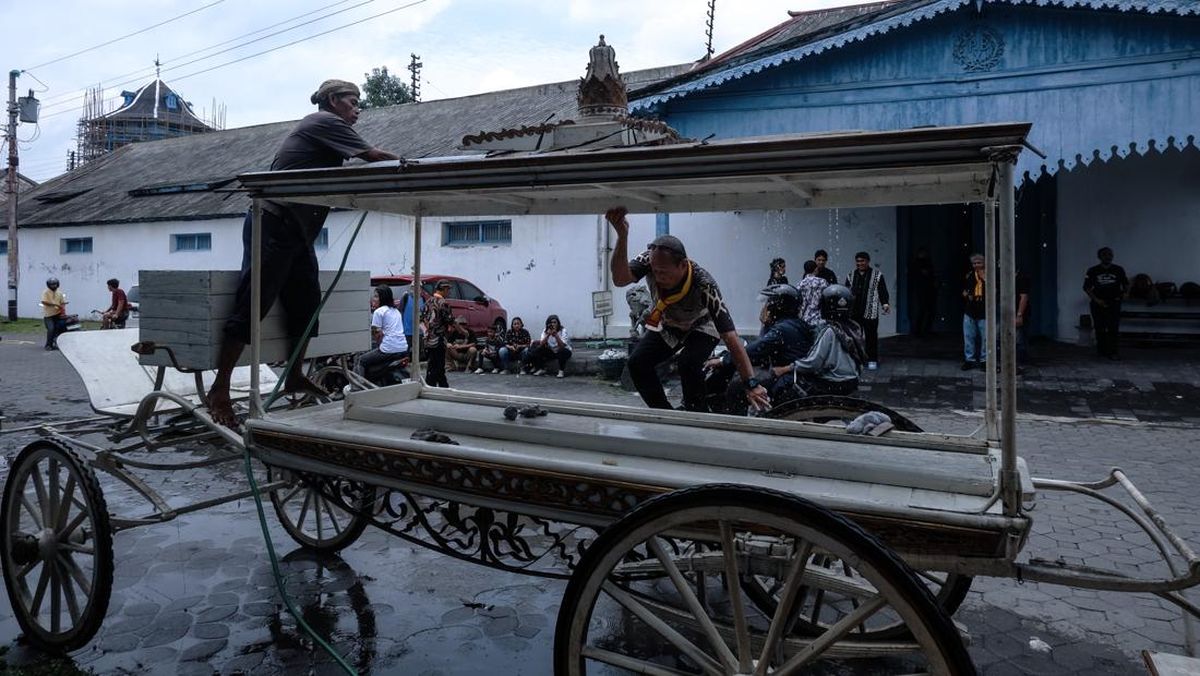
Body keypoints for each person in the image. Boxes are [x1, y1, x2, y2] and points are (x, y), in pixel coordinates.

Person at [207, 78, 399, 427]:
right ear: (331, 100)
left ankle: (294, 374)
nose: (357, 109)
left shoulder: (331, 136)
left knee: (308, 303)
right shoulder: (324, 122)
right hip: (272, 222)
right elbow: (372, 156)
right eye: (352, 101)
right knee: (254, 303)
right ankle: (219, 389)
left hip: (295, 233)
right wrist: (407, 165)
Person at [605, 205, 769, 412]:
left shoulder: (704, 284)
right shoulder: (649, 258)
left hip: (702, 326)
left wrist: (751, 384)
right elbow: (620, 279)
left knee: (688, 364)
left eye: (664, 273)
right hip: (670, 324)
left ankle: (697, 414)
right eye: (655, 272)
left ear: (683, 265)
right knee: (637, 363)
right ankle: (664, 414)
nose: (659, 278)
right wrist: (622, 235)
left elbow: (730, 337)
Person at [705, 284, 812, 413]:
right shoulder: (792, 324)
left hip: (786, 378)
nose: (766, 307)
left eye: (769, 303)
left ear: (777, 306)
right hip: (790, 374)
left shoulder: (782, 329)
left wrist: (723, 360)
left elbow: (755, 350)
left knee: (736, 387)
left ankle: (733, 423)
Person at [772, 284, 868, 397]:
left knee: (786, 384)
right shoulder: (855, 327)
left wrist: (785, 369)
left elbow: (814, 362)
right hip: (852, 380)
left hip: (833, 383)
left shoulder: (831, 331)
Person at [844, 251, 889, 370]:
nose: (860, 263)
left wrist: (885, 304)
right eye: (858, 261)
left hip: (870, 311)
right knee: (854, 337)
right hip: (854, 312)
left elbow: (882, 291)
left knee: (871, 337)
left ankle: (872, 360)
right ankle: (856, 360)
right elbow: (846, 292)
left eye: (862, 261)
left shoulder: (877, 275)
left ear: (868, 262)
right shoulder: (851, 275)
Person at [355, 284, 409, 381]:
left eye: (376, 296)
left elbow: (376, 334)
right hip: (403, 348)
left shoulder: (379, 312)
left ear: (382, 298)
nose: (373, 298)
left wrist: (380, 343)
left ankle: (356, 388)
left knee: (361, 360)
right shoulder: (396, 311)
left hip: (389, 349)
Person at [1084, 246, 1129, 360]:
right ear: (1099, 257)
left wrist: (1124, 293)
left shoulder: (1119, 270)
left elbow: (1126, 284)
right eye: (1105, 254)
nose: (1108, 257)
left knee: (1113, 328)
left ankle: (1113, 352)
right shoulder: (1092, 270)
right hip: (1098, 303)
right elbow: (1087, 287)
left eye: (1110, 254)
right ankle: (1101, 351)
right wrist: (1096, 300)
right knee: (1100, 327)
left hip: (1114, 302)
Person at [422, 280, 455, 386]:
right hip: (439, 339)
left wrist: (426, 332)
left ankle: (443, 386)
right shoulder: (443, 303)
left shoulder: (428, 301)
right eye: (448, 289)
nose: (449, 292)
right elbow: (450, 320)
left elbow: (422, 319)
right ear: (444, 289)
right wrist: (462, 331)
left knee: (433, 364)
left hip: (429, 339)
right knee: (438, 365)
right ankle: (433, 386)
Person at [961, 253, 987, 370]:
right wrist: (966, 294)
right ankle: (969, 359)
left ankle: (984, 360)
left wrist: (984, 277)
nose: (976, 265)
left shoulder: (990, 274)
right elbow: (966, 289)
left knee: (985, 337)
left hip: (985, 309)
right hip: (970, 309)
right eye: (974, 263)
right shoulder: (970, 275)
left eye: (979, 263)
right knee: (969, 336)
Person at [908, 247, 937, 337]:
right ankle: (919, 330)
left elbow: (931, 275)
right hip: (921, 289)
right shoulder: (917, 264)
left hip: (928, 289)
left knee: (928, 310)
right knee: (922, 310)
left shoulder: (927, 263)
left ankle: (924, 330)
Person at [796, 260, 828, 327]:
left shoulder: (800, 284)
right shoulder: (822, 282)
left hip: (804, 319)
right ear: (815, 269)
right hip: (819, 319)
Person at [40, 277, 67, 351]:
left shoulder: (59, 293)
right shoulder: (46, 292)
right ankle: (48, 345)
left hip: (57, 314)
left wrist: (63, 310)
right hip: (48, 315)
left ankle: (55, 344)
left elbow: (62, 303)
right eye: (52, 285)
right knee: (51, 329)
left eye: (55, 284)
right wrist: (55, 305)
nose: (53, 286)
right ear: (48, 285)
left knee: (59, 329)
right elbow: (44, 301)